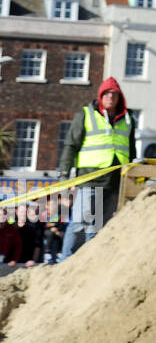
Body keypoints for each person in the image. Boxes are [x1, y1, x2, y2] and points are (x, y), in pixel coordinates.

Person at [58, 77, 135, 260]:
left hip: (115, 181)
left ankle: (89, 264)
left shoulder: (128, 119)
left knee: (99, 227)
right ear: (100, 95)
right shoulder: (86, 114)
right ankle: (66, 263)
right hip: (90, 179)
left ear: (119, 97)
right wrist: (64, 174)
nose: (110, 96)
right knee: (79, 223)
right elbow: (71, 145)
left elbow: (131, 151)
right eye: (106, 93)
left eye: (114, 93)